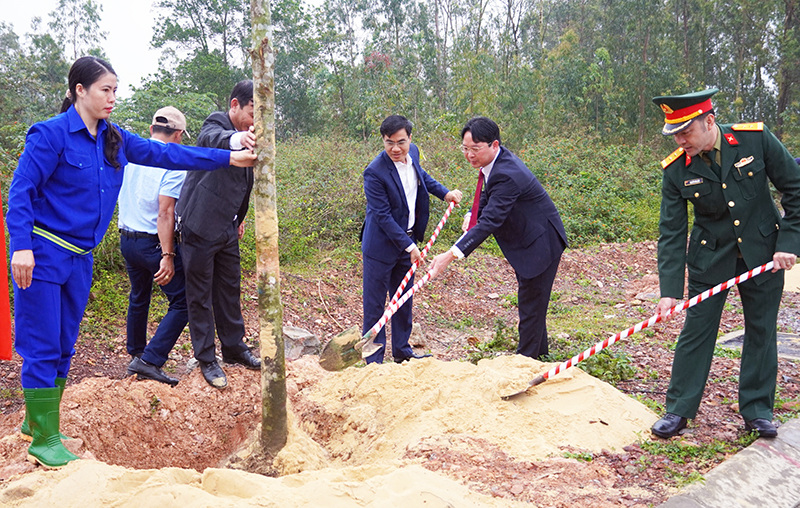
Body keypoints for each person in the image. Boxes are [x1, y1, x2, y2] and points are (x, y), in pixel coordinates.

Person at [7, 56, 255, 469]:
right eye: (105, 90)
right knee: (44, 344)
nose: (112, 98)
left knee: (66, 343)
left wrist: (229, 157)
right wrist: (21, 246)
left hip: (80, 258)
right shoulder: (49, 136)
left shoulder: (114, 139)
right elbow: (21, 191)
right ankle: (45, 438)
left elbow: (169, 156)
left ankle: (39, 423)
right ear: (79, 91)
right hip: (44, 252)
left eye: (115, 90)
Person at [650, 88, 800, 439]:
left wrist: (789, 243)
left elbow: (795, 190)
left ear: (710, 121)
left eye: (685, 131)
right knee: (697, 331)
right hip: (709, 257)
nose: (680, 140)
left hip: (763, 252)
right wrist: (670, 291)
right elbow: (671, 232)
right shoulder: (675, 170)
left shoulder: (755, 139)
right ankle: (679, 410)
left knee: (761, 329)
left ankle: (758, 411)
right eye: (674, 133)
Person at [428, 116, 567, 359]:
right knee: (533, 303)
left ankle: (524, 364)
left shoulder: (507, 174)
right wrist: (473, 213)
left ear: (494, 144)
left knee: (531, 304)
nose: (470, 155)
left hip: (540, 242)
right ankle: (540, 355)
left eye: (475, 149)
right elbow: (486, 193)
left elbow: (491, 220)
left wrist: (449, 255)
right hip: (530, 239)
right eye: (465, 149)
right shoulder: (494, 162)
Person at [176, 80, 260, 389]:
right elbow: (211, 138)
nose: (256, 120)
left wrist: (239, 217)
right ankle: (206, 358)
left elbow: (245, 182)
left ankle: (234, 348)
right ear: (236, 105)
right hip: (199, 225)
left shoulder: (255, 134)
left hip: (226, 225)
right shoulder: (218, 123)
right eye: (253, 111)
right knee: (200, 295)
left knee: (229, 289)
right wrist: (239, 138)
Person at [361, 115, 462, 364]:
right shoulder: (374, 173)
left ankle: (402, 351)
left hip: (409, 242)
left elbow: (422, 178)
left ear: (410, 139)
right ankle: (374, 360)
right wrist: (410, 247)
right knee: (375, 305)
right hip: (380, 247)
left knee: (403, 299)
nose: (395, 149)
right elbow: (382, 217)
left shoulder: (413, 153)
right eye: (389, 143)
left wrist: (445, 193)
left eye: (401, 142)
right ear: (383, 141)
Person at [119, 106, 190, 387]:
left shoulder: (132, 155)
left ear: (151, 130)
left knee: (139, 296)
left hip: (127, 238)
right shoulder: (173, 161)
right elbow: (165, 213)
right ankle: (150, 360)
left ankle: (136, 352)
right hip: (151, 242)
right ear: (179, 135)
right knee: (183, 300)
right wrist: (168, 254)